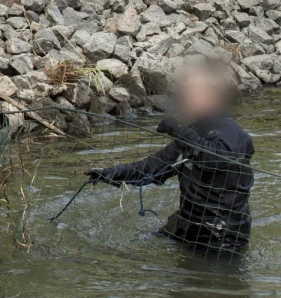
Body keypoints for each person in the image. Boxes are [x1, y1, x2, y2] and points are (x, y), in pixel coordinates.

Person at [86, 66, 254, 253]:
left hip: (222, 236)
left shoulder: (230, 130)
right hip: (189, 225)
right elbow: (153, 167)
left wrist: (178, 131)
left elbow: (217, 158)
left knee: (201, 279)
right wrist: (111, 173)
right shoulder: (193, 131)